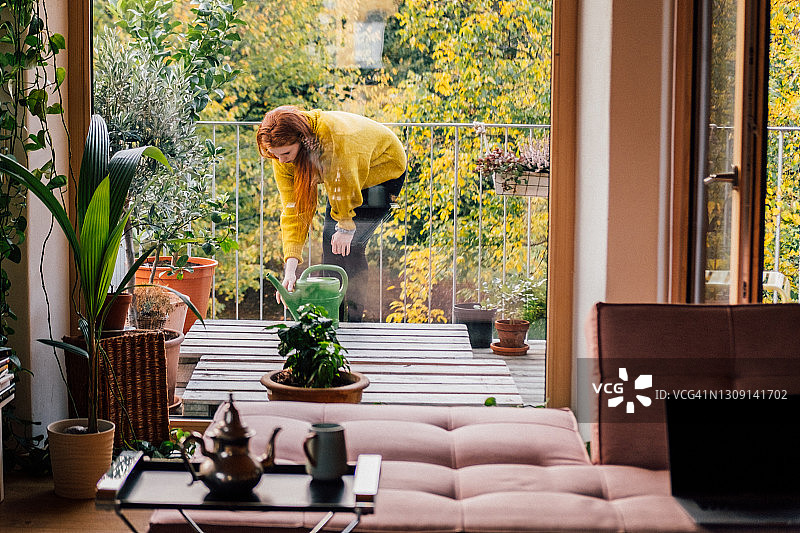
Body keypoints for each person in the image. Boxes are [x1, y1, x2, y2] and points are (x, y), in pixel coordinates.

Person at [256, 105, 407, 321]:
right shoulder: (282, 157)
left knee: (350, 247)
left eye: (286, 153)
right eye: (274, 155)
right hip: (346, 181)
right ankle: (331, 316)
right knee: (331, 244)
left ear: (303, 139)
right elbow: (293, 211)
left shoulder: (333, 137)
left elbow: (345, 178)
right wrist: (290, 270)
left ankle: (352, 323)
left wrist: (346, 226)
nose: (281, 160)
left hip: (383, 170)